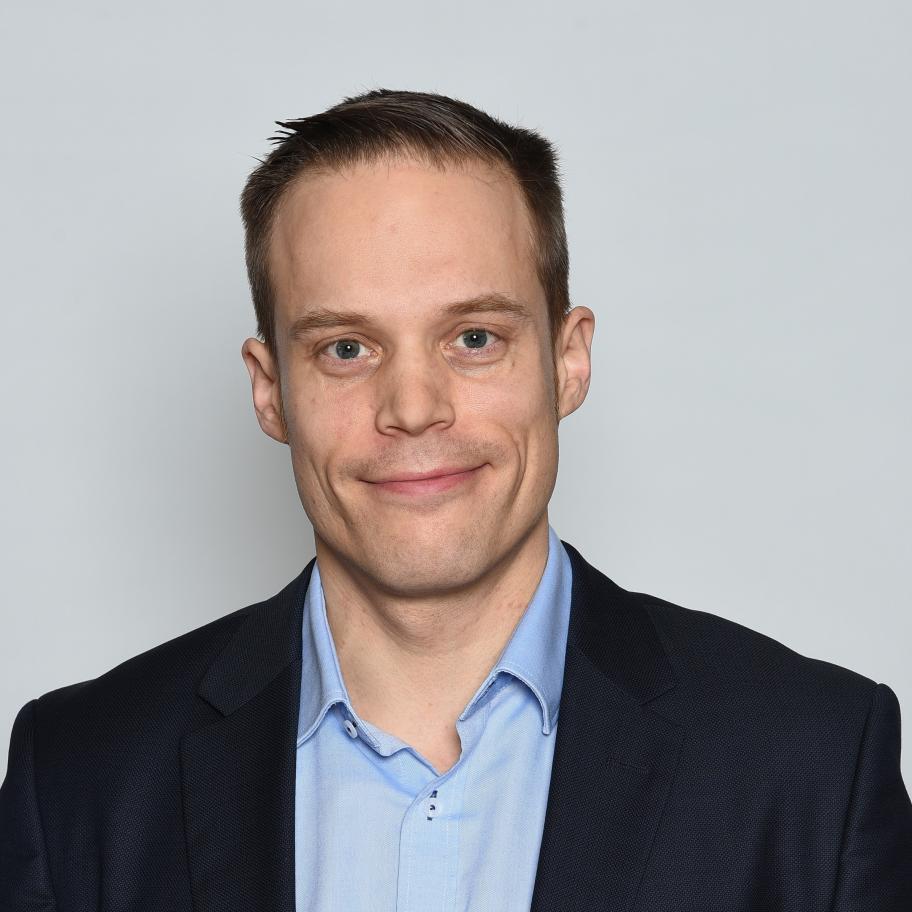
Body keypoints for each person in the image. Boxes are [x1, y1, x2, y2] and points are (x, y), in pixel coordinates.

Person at [1, 89, 910, 911]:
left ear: (568, 360)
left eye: (474, 337)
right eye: (346, 348)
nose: (413, 408)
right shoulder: (79, 777)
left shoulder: (813, 767)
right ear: (270, 389)